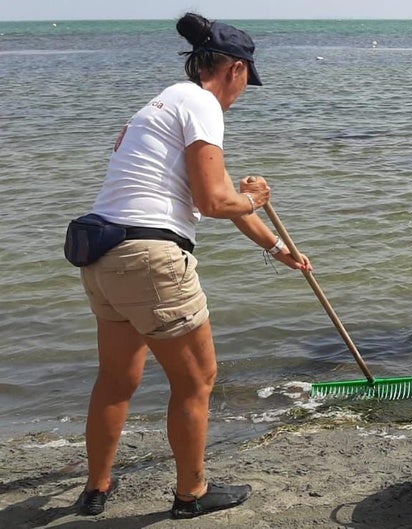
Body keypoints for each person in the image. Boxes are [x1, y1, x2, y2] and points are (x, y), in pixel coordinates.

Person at [71, 12, 312, 519]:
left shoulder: (163, 105)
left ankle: (96, 488)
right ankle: (191, 494)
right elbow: (218, 200)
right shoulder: (203, 103)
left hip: (102, 257)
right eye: (246, 80)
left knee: (116, 380)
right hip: (151, 259)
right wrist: (255, 199)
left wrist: (275, 249)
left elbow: (211, 198)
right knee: (198, 381)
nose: (242, 91)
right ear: (235, 70)